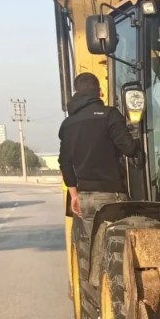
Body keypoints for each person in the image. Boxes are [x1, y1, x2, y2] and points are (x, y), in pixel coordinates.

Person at [58, 72, 139, 220]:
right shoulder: (110, 115)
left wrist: (74, 195)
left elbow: (64, 163)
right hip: (110, 197)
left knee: (88, 242)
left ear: (76, 93)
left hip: (83, 199)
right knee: (114, 241)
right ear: (98, 92)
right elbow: (129, 148)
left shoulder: (67, 124)